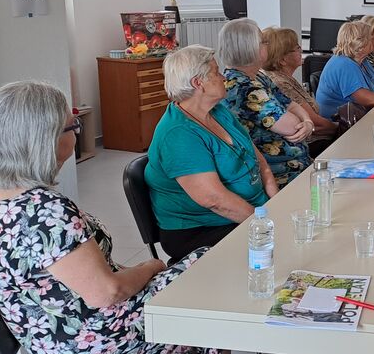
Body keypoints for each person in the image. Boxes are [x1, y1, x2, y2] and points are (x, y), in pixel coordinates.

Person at [0, 81, 277, 354]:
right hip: (88, 345)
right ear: (43, 140)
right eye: (73, 127)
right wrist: (151, 268)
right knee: (204, 277)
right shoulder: (43, 211)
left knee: (199, 270)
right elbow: (106, 293)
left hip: (54, 342)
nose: (77, 134)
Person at [145, 45, 279, 262]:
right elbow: (215, 200)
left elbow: (257, 159)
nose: (223, 77)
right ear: (198, 83)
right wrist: (264, 226)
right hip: (204, 227)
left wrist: (276, 201)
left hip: (251, 213)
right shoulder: (178, 134)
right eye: (216, 72)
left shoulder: (218, 111)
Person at [219, 19, 314, 187]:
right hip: (278, 175)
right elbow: (292, 127)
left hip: (296, 166)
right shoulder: (245, 87)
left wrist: (307, 121)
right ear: (249, 47)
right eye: (263, 42)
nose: (267, 46)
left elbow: (291, 104)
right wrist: (304, 123)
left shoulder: (257, 76)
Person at [261, 26, 338, 153]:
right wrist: (342, 128)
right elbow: (315, 122)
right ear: (283, 60)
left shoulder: (284, 77)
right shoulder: (280, 83)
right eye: (297, 48)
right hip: (308, 146)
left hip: (316, 141)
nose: (301, 50)